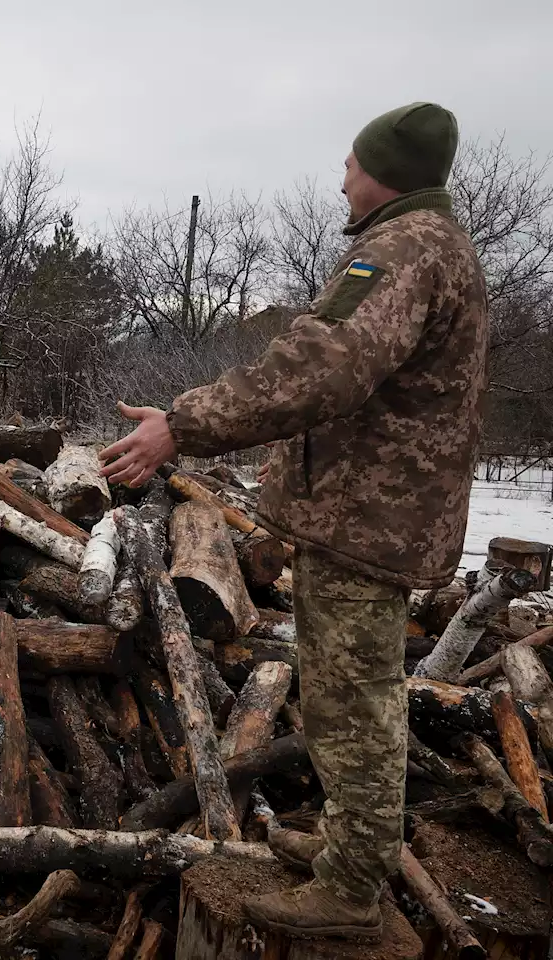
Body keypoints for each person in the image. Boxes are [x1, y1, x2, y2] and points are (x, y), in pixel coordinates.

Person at [99, 103, 486, 940]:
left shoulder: (404, 248)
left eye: (350, 162)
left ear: (387, 170)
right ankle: (352, 848)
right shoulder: (426, 244)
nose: (340, 176)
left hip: (367, 522)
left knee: (357, 703)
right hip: (366, 517)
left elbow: (320, 367)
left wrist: (183, 424)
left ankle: (352, 890)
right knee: (347, 695)